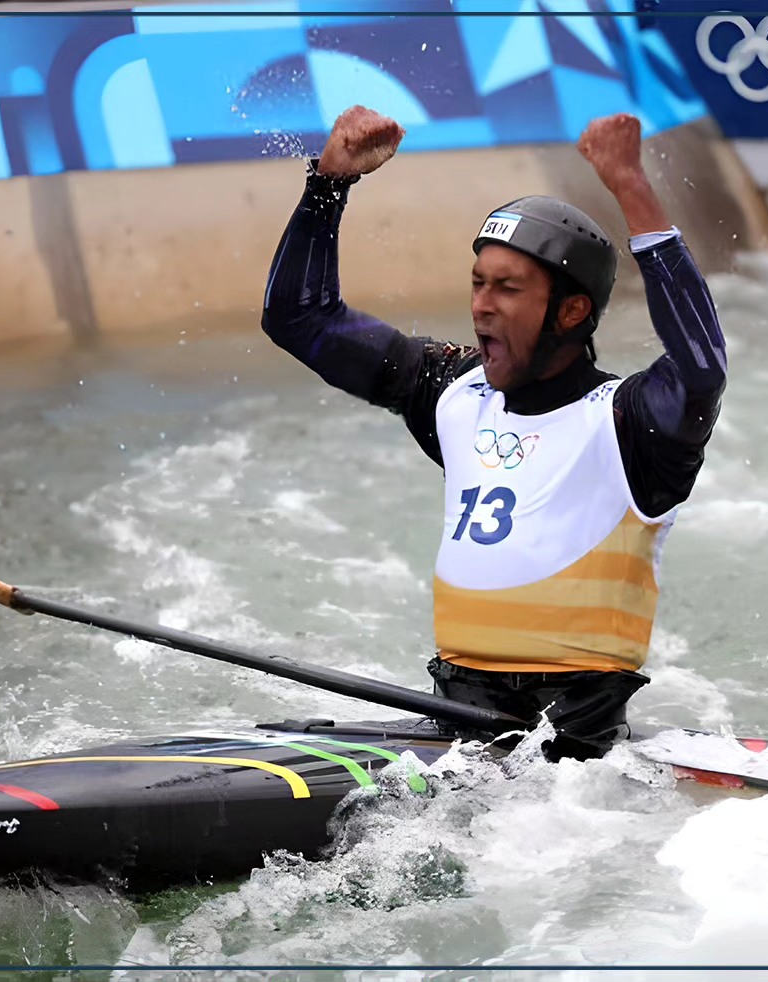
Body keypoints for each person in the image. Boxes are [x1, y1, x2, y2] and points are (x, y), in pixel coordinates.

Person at [261, 106, 726, 759]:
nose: (481, 304)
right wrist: (328, 183)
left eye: (508, 288)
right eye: (479, 283)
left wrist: (630, 186)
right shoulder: (451, 390)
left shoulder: (633, 421)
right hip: (453, 717)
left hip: (578, 752)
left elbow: (701, 367)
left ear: (570, 312)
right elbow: (300, 319)